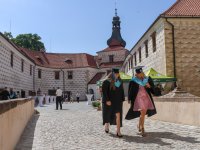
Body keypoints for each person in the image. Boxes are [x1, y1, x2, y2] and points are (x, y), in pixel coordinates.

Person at [125, 66, 157, 137]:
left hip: (146, 98)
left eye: (141, 73)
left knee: (143, 113)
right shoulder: (133, 81)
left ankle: (139, 125)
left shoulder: (147, 79)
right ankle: (142, 129)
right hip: (138, 98)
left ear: (142, 73)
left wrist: (149, 86)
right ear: (136, 74)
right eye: (138, 74)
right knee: (142, 111)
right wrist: (129, 99)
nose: (140, 74)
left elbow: (153, 90)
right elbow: (130, 90)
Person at [110, 68, 125, 138]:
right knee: (112, 116)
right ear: (113, 74)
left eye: (117, 73)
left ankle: (118, 131)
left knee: (118, 116)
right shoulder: (110, 82)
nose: (116, 75)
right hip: (112, 101)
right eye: (115, 74)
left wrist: (122, 99)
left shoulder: (120, 81)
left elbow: (121, 90)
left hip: (118, 101)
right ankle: (107, 126)